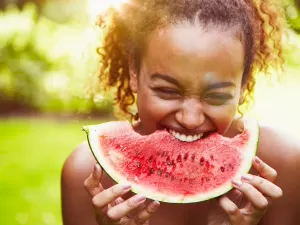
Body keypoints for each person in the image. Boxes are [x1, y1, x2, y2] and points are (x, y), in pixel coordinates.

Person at [61, 0, 300, 224]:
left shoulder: (284, 166)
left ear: (243, 85)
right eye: (167, 91)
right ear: (134, 72)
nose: (190, 119)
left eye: (216, 96)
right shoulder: (86, 176)